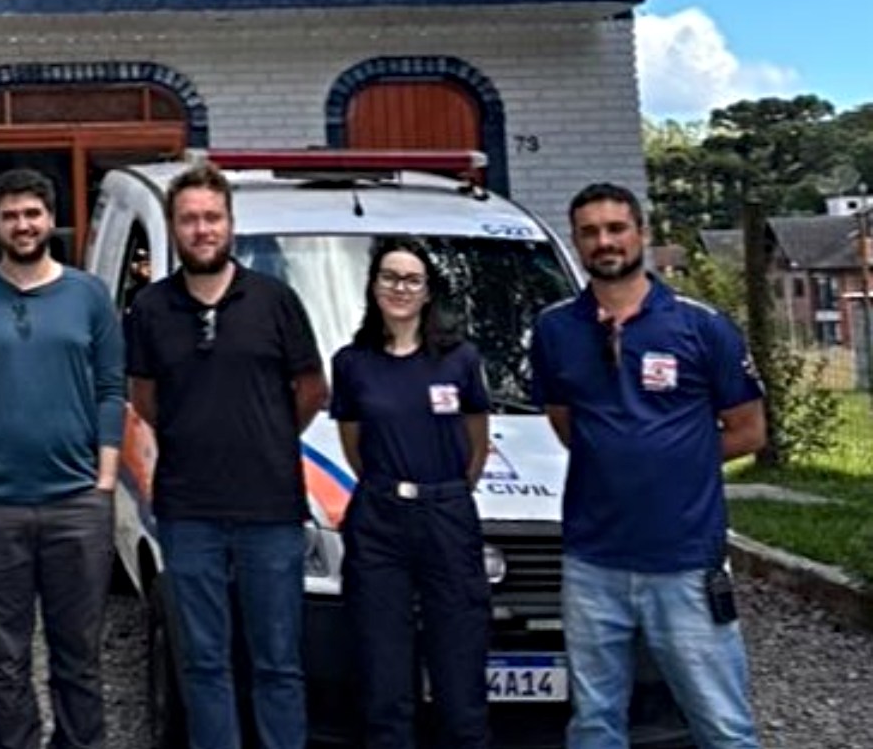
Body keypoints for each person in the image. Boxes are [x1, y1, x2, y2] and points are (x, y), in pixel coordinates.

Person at [529, 183, 766, 749]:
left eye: (616, 228)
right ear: (576, 242)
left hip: (683, 560)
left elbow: (748, 430)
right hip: (592, 561)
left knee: (722, 725)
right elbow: (566, 422)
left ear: (642, 233)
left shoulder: (701, 325)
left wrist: (676, 460)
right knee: (594, 723)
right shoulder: (555, 329)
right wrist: (622, 452)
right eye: (590, 232)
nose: (604, 241)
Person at [122, 159, 326, 749]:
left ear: (230, 223)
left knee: (277, 662)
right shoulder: (151, 309)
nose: (202, 229)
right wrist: (198, 433)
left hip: (270, 509)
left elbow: (311, 389)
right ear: (173, 228)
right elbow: (145, 397)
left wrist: (263, 436)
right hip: (188, 512)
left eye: (212, 217)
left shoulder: (274, 300)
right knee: (204, 663)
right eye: (189, 219)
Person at [0, 168, 124, 749]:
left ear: (50, 218)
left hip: (76, 503)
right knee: (3, 660)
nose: (23, 225)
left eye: (32, 213)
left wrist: (104, 481)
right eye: (10, 215)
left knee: (79, 657)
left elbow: (111, 388)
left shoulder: (89, 296)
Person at [328, 239, 490, 749]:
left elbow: (476, 444)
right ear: (374, 287)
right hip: (380, 518)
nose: (400, 288)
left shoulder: (460, 359)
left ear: (427, 292)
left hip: (446, 514)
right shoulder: (351, 363)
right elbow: (355, 446)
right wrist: (392, 487)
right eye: (390, 277)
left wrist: (441, 492)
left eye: (412, 279)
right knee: (383, 669)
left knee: (459, 665)